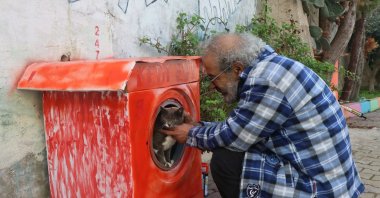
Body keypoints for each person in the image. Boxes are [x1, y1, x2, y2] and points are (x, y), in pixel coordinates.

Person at [161, 33, 364, 198]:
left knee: (226, 159)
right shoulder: (274, 67)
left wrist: (191, 134)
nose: (212, 86)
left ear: (237, 68)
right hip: (332, 181)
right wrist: (197, 125)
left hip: (318, 188)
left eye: (213, 77)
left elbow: (235, 138)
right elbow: (246, 127)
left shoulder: (267, 80)